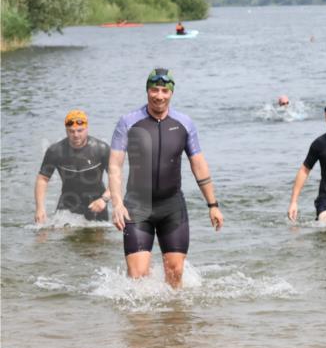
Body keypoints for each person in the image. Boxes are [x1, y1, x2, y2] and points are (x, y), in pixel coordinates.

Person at [108, 69, 223, 289]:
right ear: (147, 91)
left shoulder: (184, 123)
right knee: (138, 277)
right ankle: (141, 323)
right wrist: (117, 203)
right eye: (154, 89)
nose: (159, 95)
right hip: (137, 206)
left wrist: (213, 205)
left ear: (171, 94)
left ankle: (172, 321)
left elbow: (198, 164)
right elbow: (115, 165)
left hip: (172, 206)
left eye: (164, 91)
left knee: (175, 272)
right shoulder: (128, 122)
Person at [35, 110, 112, 224]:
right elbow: (43, 179)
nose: (76, 135)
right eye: (71, 131)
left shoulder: (101, 149)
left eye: (80, 130)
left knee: (96, 240)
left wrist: (104, 199)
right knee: (50, 235)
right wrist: (40, 208)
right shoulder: (55, 151)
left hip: (96, 204)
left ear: (87, 128)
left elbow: (116, 178)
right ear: (66, 130)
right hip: (67, 204)